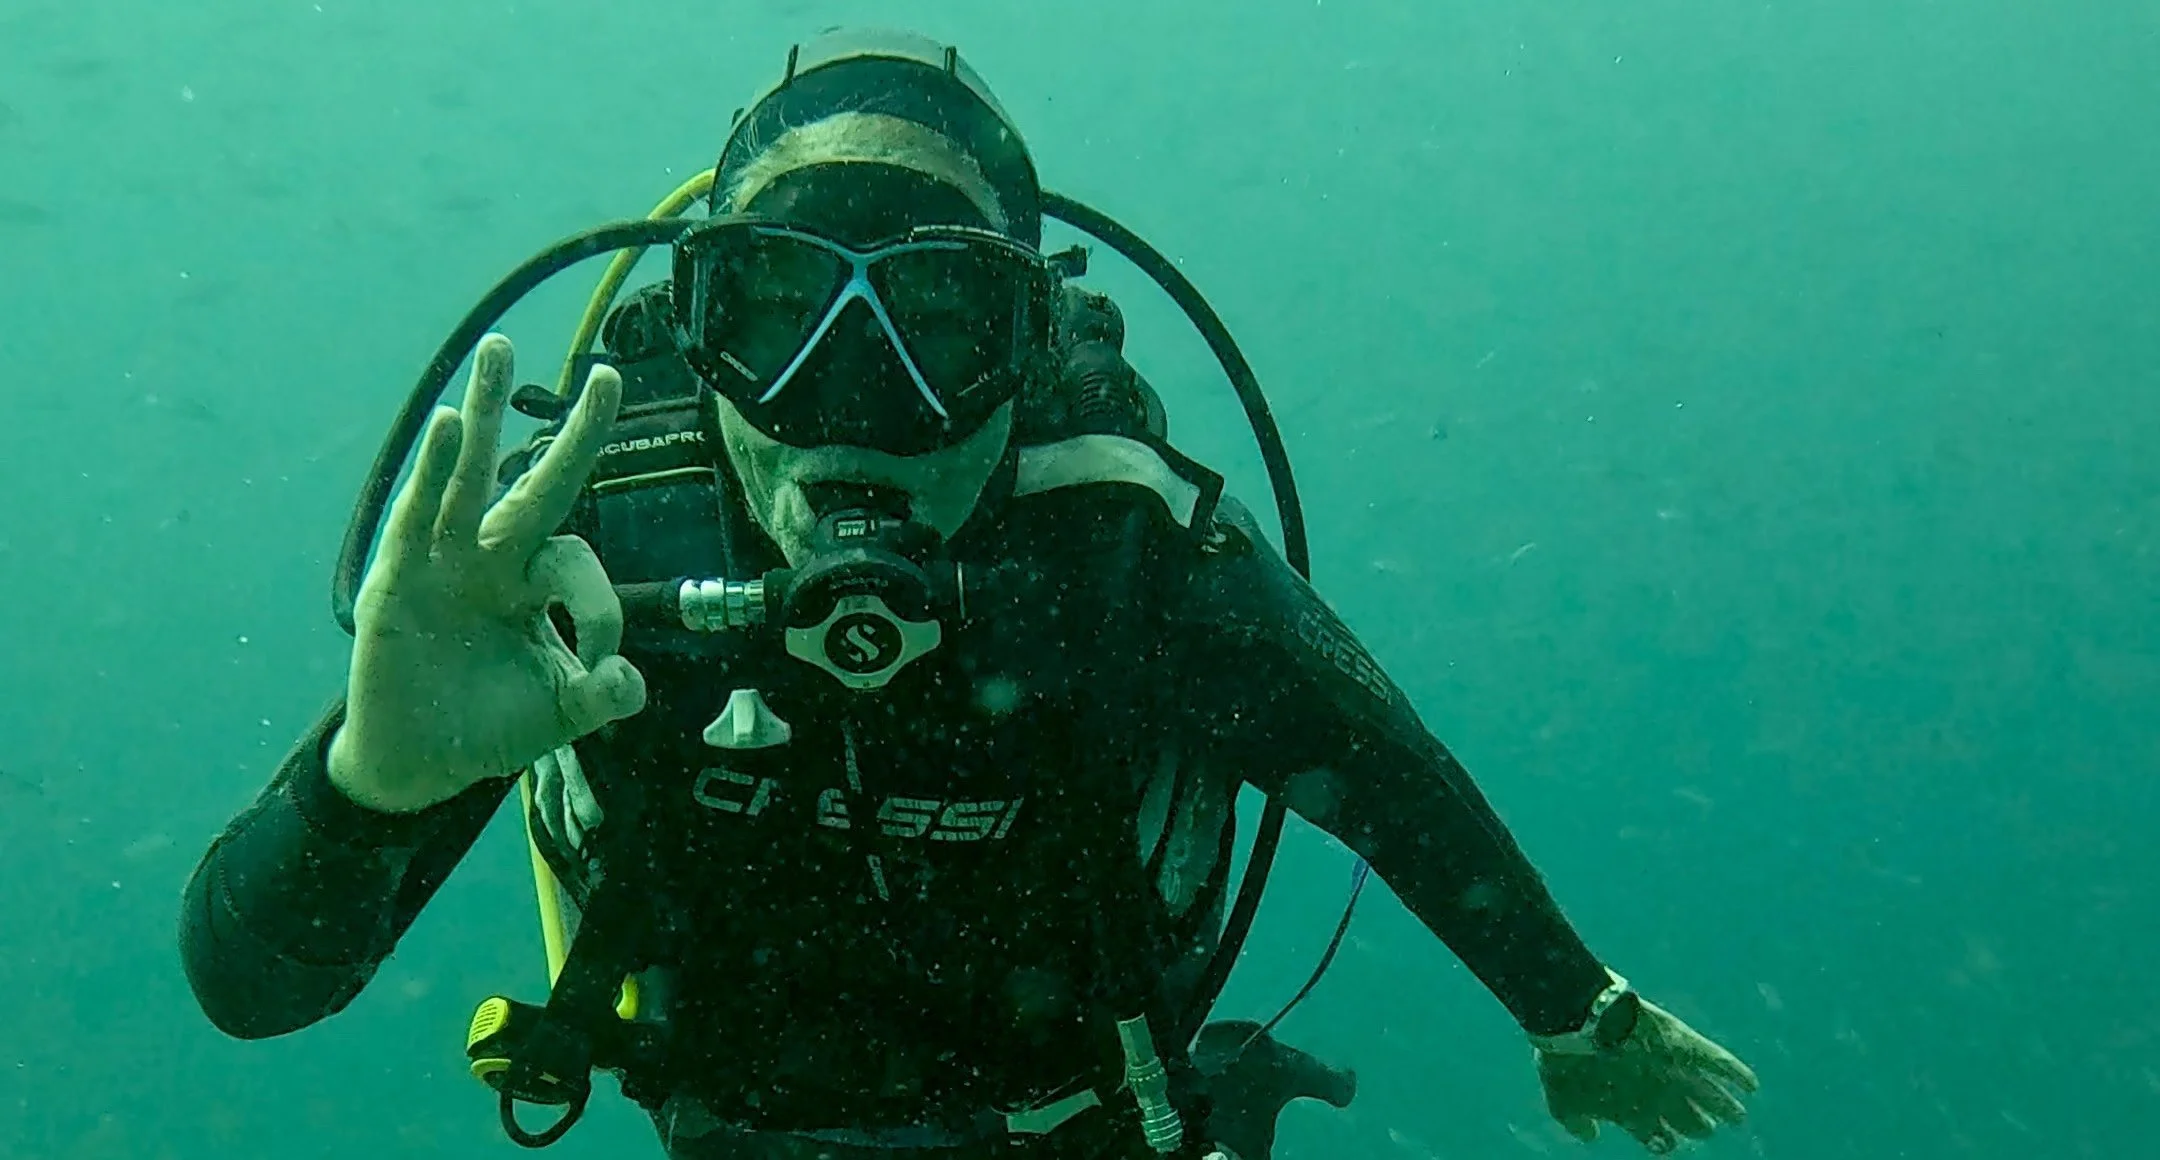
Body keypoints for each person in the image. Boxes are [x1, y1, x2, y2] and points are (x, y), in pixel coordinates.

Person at [178, 28, 1758, 1160]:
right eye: (779, 309)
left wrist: (1585, 1015)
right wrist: (371, 788)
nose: (845, 403)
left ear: (1029, 353)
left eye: (935, 318)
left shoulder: (1130, 567)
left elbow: (1390, 781)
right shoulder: (590, 567)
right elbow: (244, 986)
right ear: (698, 326)